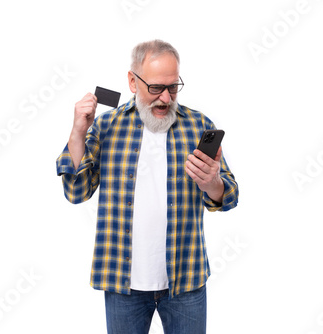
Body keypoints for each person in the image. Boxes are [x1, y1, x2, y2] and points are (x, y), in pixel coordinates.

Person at [56, 39, 238, 334]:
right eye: (155, 88)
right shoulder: (107, 126)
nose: (165, 99)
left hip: (185, 280)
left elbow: (228, 196)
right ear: (132, 81)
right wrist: (78, 131)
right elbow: (76, 192)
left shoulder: (198, 125)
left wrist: (213, 183)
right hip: (123, 282)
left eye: (173, 87)